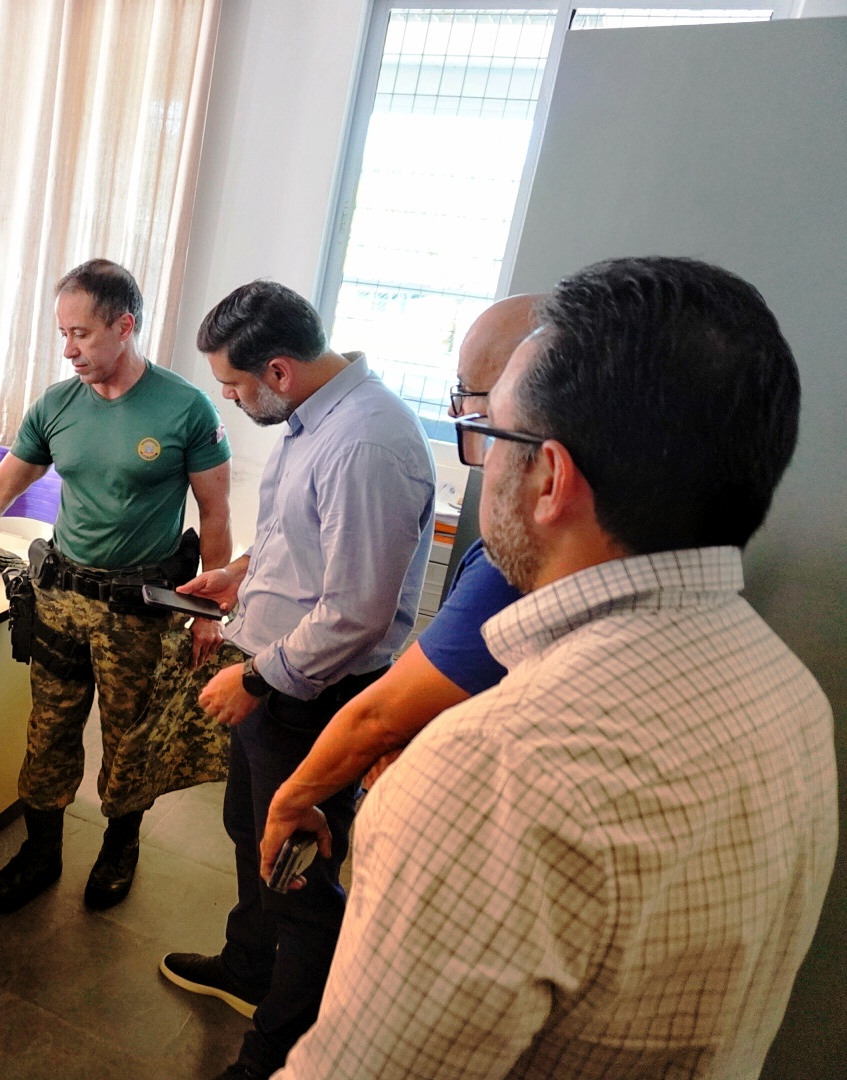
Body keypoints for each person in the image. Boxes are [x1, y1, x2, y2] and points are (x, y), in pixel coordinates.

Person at [282, 257, 837, 1078]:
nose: (480, 463)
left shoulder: (490, 769)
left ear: (548, 477)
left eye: (489, 434)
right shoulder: (788, 689)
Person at [0, 258, 232, 912]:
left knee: (130, 738)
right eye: (63, 334)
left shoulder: (185, 409)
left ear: (124, 326)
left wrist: (208, 610)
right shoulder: (57, 406)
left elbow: (217, 513)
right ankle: (42, 851)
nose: (69, 350)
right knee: (48, 730)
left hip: (138, 611)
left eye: (81, 334)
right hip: (61, 600)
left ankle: (120, 846)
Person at [156, 280, 435, 1080]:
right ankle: (248, 968)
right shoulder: (315, 418)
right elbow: (298, 540)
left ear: (278, 370)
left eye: (234, 386)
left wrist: (256, 681)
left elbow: (356, 613)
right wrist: (238, 574)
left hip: (308, 694)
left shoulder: (366, 443)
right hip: (274, 677)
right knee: (251, 833)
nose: (230, 399)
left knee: (299, 877)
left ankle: (277, 1048)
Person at [258, 294, 536, 871]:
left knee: (294, 874)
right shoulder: (319, 423)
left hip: (313, 683)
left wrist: (293, 791)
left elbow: (376, 701)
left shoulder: (511, 568)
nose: (483, 459)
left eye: (474, 411)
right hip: (287, 668)